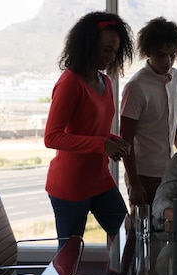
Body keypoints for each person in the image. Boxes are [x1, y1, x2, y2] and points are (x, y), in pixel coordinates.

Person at [44, 11, 134, 247]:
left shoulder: (105, 82)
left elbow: (95, 131)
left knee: (127, 237)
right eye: (106, 50)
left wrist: (114, 140)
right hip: (70, 184)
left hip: (99, 178)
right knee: (70, 255)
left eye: (115, 51)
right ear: (87, 45)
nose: (111, 56)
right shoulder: (70, 83)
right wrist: (102, 145)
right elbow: (52, 137)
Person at [120, 17, 177, 210]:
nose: (168, 61)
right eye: (161, 55)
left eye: (173, 55)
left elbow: (170, 121)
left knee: (171, 228)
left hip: (171, 172)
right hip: (143, 175)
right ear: (148, 51)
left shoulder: (176, 77)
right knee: (143, 231)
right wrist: (134, 183)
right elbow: (126, 139)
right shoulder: (136, 87)